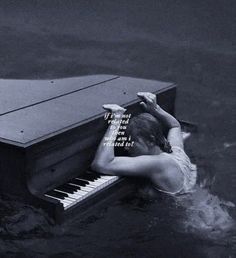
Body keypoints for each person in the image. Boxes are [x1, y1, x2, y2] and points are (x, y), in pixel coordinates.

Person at [91, 92, 197, 196]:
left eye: (131, 142)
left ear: (150, 141)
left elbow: (102, 164)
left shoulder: (159, 163)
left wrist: (116, 121)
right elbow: (175, 126)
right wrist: (155, 108)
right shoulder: (176, 151)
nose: (126, 147)